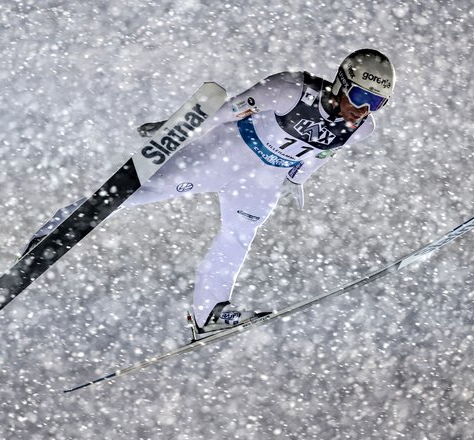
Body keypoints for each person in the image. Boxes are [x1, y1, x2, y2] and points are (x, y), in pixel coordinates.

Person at [23, 48, 396, 337]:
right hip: (227, 153)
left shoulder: (361, 128)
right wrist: (174, 128)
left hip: (264, 179)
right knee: (141, 191)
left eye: (376, 103)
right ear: (342, 83)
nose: (363, 110)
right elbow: (227, 110)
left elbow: (322, 154)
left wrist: (296, 181)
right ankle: (53, 232)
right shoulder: (291, 89)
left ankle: (209, 313)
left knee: (238, 236)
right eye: (361, 97)